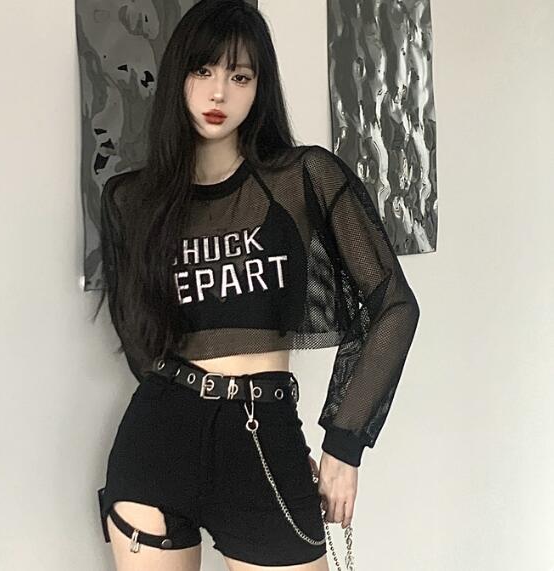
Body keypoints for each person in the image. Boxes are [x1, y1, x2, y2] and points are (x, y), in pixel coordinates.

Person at [94, 1, 420, 569]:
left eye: (240, 76)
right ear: (178, 79)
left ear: (259, 87)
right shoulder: (130, 200)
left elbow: (393, 305)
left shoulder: (302, 177)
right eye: (202, 71)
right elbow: (140, 338)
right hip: (157, 441)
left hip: (262, 433)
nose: (218, 92)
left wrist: (344, 446)